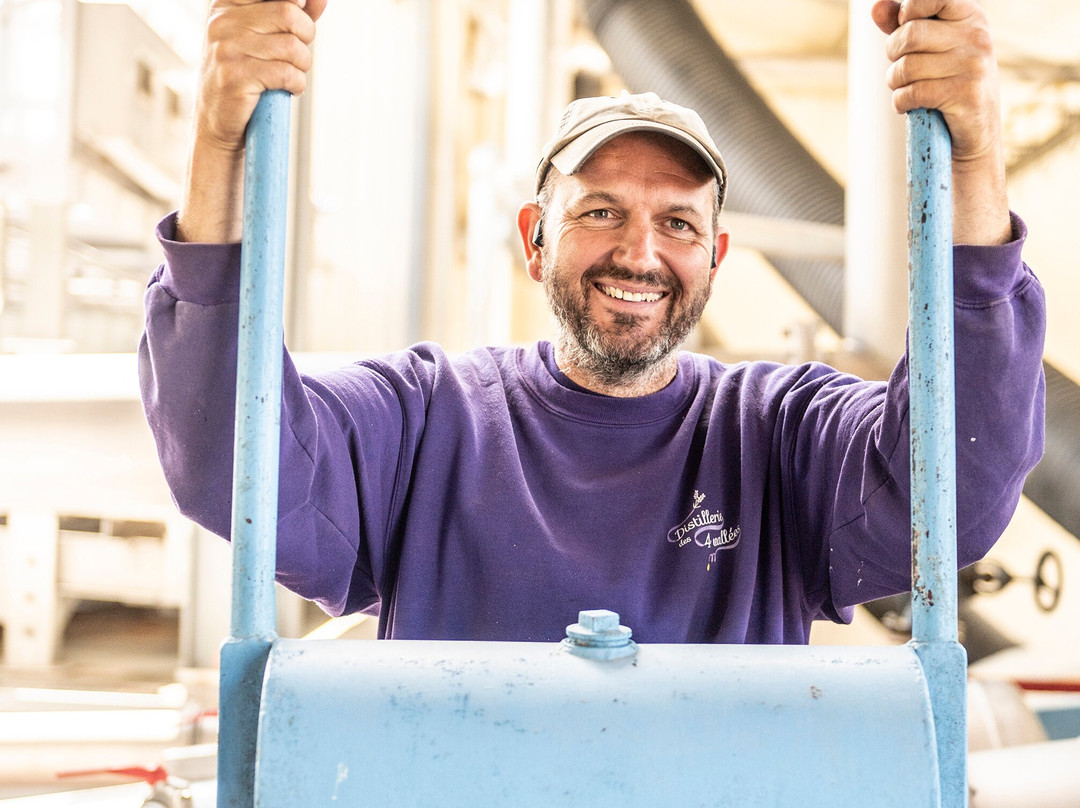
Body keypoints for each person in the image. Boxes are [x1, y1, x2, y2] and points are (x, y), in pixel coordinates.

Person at [139, 0, 1045, 643]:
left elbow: (949, 494)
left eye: (679, 222)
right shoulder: (427, 417)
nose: (640, 254)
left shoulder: (776, 430)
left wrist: (973, 160)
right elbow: (233, 464)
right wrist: (220, 144)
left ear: (716, 261)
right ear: (535, 238)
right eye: (599, 211)